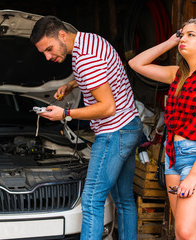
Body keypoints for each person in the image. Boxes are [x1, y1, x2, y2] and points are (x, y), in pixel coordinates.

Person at [30, 16, 142, 240]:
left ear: (62, 35)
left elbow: (107, 107)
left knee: (91, 201)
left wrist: (66, 113)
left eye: (49, 49)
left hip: (113, 131)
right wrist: (71, 84)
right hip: (130, 125)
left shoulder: (85, 59)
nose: (48, 56)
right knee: (124, 200)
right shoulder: (90, 41)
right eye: (43, 52)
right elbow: (102, 75)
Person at [129, 19, 196, 239]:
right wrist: (169, 42)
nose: (183, 39)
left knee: (184, 231)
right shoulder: (177, 74)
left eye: (190, 35)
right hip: (172, 155)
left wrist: (194, 174)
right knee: (184, 231)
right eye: (181, 35)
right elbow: (136, 64)